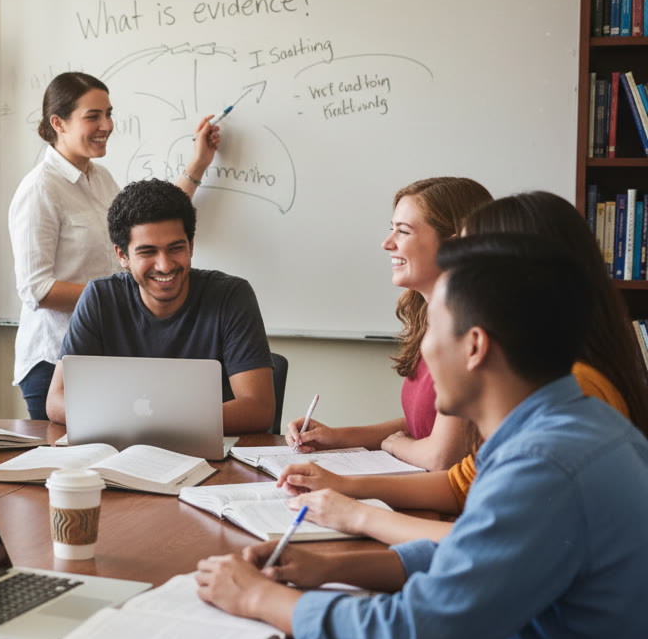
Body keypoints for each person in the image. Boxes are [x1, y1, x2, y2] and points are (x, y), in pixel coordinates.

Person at [195, 234, 648, 639]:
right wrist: (325, 567)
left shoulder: (543, 467)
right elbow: (479, 555)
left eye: (433, 329)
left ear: (474, 346)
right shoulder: (562, 424)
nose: (424, 352)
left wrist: (261, 599)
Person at [276, 192, 648, 544]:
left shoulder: (570, 395)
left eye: (468, 258)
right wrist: (348, 486)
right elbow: (463, 483)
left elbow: (488, 543)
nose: (454, 270)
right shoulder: (542, 376)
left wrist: (358, 513)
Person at [9, 72, 221, 420]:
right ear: (58, 122)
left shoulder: (101, 178)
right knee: (68, 468)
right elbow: (37, 289)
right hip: (54, 362)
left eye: (109, 113)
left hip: (105, 355)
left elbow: (149, 224)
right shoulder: (40, 190)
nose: (106, 124)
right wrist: (121, 298)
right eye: (93, 116)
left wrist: (198, 164)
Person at [286, 177, 492, 471]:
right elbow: (425, 425)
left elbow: (441, 457)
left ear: (454, 246)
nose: (387, 243)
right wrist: (335, 437)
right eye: (391, 228)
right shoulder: (431, 318)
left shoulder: (469, 331)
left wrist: (395, 445)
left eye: (403, 231)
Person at [44, 178, 275, 434]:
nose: (164, 265)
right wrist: (146, 421)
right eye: (147, 252)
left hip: (210, 462)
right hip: (119, 456)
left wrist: (148, 421)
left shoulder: (231, 296)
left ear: (191, 246)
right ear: (123, 256)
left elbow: (258, 409)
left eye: (176, 248)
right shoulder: (99, 298)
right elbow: (56, 401)